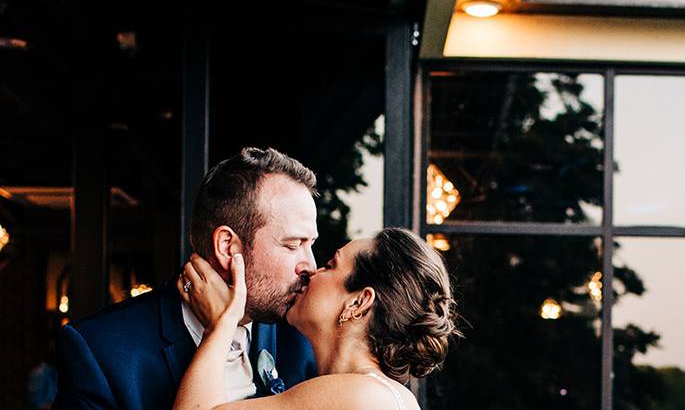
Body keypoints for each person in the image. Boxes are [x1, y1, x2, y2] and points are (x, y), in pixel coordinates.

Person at [53, 147, 320, 410]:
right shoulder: (101, 352)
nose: (311, 265)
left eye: (311, 245)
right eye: (294, 244)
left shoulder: (304, 339)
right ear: (228, 246)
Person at [173, 227, 459, 410]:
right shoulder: (382, 395)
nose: (312, 271)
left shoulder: (360, 397)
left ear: (359, 302)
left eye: (331, 265)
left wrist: (221, 323)